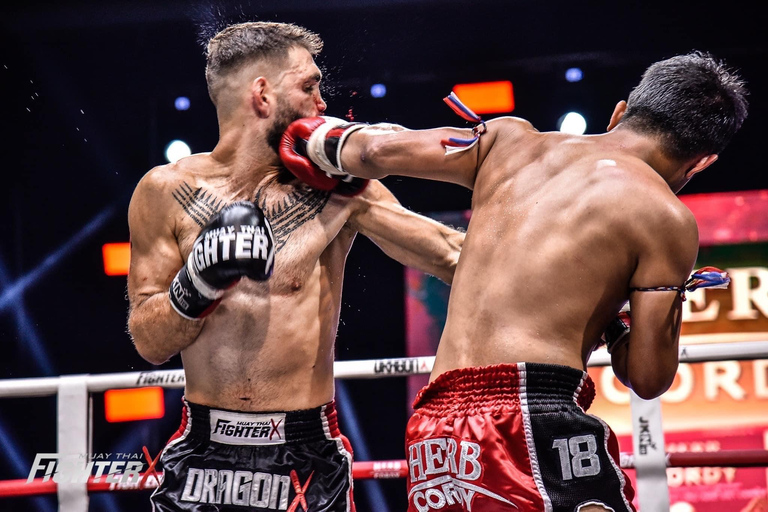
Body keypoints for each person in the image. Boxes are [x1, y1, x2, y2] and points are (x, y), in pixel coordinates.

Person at [280, 51, 749, 511]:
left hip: (434, 424)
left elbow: (375, 149)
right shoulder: (665, 216)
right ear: (702, 162)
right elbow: (647, 377)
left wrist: (314, 139)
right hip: (529, 411)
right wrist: (618, 318)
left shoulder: (508, 139)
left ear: (621, 112)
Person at [126, 21, 465, 511]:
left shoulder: (341, 189)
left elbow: (450, 254)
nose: (322, 103)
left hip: (305, 456)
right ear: (262, 94)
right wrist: (195, 285)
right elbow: (148, 342)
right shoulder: (164, 191)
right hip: (201, 456)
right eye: (309, 86)